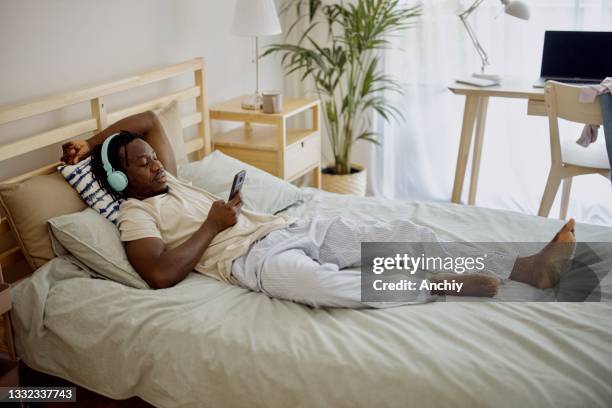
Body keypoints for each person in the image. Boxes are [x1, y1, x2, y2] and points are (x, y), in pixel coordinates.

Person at [61, 111, 577, 308]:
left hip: (288, 227)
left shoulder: (167, 178)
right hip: (252, 262)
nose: (157, 166)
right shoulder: (135, 214)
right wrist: (214, 225)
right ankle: (434, 283)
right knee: (320, 286)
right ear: (118, 177)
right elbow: (156, 274)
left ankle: (524, 266)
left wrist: (93, 138)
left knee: (402, 228)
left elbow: (150, 119)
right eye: (144, 163)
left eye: (154, 159)